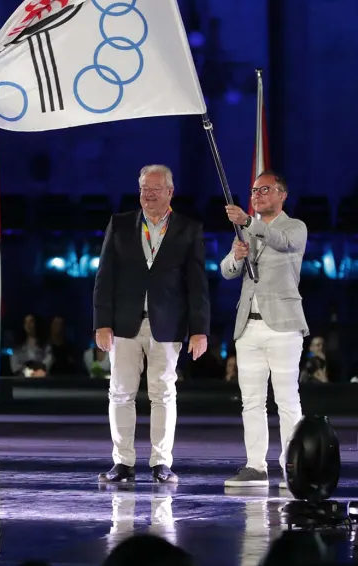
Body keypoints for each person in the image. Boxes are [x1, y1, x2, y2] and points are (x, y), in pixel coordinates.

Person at [93, 164, 210, 484]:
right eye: (144, 188)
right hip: (124, 325)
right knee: (120, 394)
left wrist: (200, 330)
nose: (149, 194)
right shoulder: (120, 224)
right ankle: (123, 463)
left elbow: (197, 284)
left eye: (156, 188)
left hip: (167, 325)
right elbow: (104, 278)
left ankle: (161, 463)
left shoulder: (188, 228)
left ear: (170, 192)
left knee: (164, 394)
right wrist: (101, 322)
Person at [220, 171, 307, 489]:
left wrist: (248, 222)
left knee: (287, 400)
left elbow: (283, 244)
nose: (257, 195)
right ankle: (255, 466)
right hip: (249, 327)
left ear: (282, 194)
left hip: (283, 325)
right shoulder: (245, 232)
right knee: (251, 401)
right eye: (254, 190)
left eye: (265, 190)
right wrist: (235, 256)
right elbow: (227, 271)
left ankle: (294, 465)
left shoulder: (294, 227)